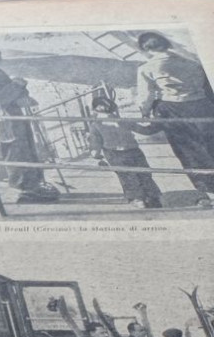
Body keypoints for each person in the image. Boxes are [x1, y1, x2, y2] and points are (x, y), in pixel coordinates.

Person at [0, 42, 60, 204]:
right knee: (16, 150)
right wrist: (17, 84)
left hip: (13, 114)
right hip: (3, 118)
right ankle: (26, 188)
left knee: (27, 148)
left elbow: (12, 91)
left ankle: (35, 184)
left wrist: (21, 90)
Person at [136, 31, 214, 205]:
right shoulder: (192, 63)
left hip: (174, 110)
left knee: (189, 153)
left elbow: (145, 96)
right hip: (204, 107)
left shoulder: (146, 68)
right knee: (211, 147)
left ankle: (209, 194)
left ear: (145, 49)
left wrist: (145, 111)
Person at [89, 94, 163, 209]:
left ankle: (138, 199)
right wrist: (159, 124)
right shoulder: (124, 121)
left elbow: (95, 142)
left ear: (95, 111)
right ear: (114, 109)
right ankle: (153, 197)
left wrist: (96, 154)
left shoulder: (96, 125)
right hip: (134, 150)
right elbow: (145, 130)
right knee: (144, 174)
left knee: (127, 176)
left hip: (114, 153)